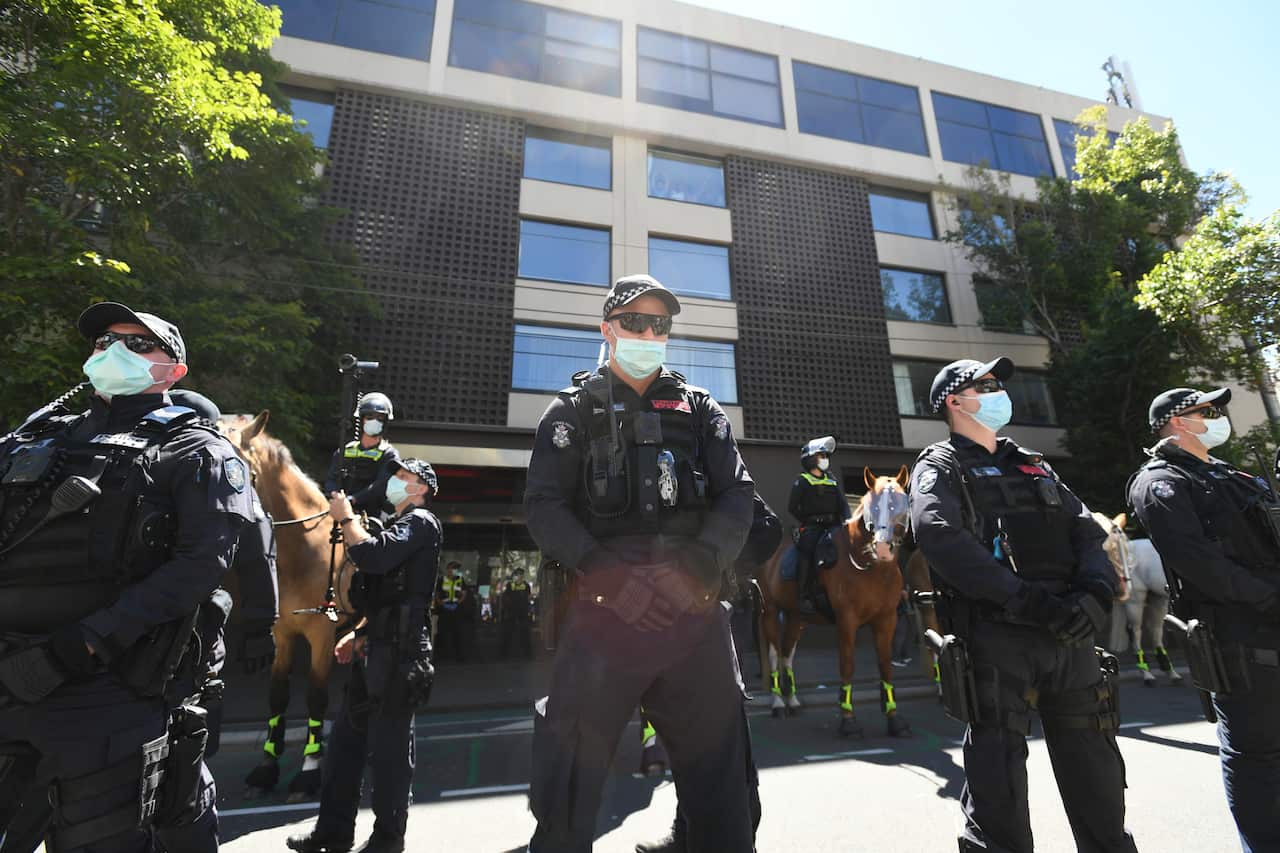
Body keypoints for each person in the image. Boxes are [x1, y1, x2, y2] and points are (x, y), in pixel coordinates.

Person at [0, 302, 253, 852]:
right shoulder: (35, 440)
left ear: (174, 371)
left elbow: (199, 567)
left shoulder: (197, 450)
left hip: (105, 696)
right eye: (104, 341)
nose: (113, 351)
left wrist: (84, 644)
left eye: (137, 344)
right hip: (9, 680)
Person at [524, 273, 757, 853]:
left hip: (692, 607)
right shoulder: (570, 411)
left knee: (725, 792)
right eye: (635, 322)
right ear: (608, 329)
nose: (649, 334)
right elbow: (544, 507)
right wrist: (611, 581)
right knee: (566, 793)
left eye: (660, 325)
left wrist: (699, 567)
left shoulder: (700, 409)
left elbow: (737, 495)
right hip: (603, 611)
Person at [908, 356, 1137, 853]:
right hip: (1000, 636)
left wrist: (1095, 594)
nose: (998, 391)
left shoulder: (1033, 461)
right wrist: (1026, 601)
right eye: (985, 385)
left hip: (1071, 634)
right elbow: (938, 535)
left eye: (997, 384)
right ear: (954, 401)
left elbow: (1085, 529)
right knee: (999, 785)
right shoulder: (940, 465)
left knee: (1097, 773)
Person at [1127, 387, 1280, 852]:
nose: (1218, 418)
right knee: (1258, 760)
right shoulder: (1160, 482)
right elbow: (1198, 562)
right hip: (1241, 638)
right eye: (1207, 411)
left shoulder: (1233, 475)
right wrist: (1270, 597)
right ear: (1177, 421)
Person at [288, 458, 441, 853]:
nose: (395, 481)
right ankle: (333, 831)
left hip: (401, 654)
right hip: (375, 649)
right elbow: (384, 596)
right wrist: (357, 634)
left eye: (404, 477)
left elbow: (372, 556)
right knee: (344, 747)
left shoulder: (421, 522)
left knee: (389, 754)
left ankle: (388, 840)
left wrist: (345, 518)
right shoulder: (398, 525)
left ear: (422, 488)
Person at [153, 389, 280, 853]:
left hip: (106, 646)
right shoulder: (218, 468)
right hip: (180, 649)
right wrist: (260, 625)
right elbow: (258, 553)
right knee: (183, 785)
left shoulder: (131, 457)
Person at [635, 492, 777, 853]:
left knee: (729, 751)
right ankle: (686, 834)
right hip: (666, 626)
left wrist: (717, 572)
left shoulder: (717, 472)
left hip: (719, 617)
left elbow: (767, 527)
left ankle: (734, 836)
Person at [787, 435, 852, 616]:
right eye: (821, 456)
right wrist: (808, 521)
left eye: (826, 456)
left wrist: (847, 520)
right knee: (807, 551)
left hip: (834, 526)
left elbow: (843, 505)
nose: (825, 459)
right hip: (812, 528)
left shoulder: (832, 480)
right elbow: (792, 508)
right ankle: (803, 596)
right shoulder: (802, 480)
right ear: (810, 459)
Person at [323, 391, 401, 516]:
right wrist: (335, 495)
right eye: (369, 417)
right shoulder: (345, 450)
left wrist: (353, 499)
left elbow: (380, 486)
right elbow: (331, 479)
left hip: (373, 512)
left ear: (385, 422)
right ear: (361, 420)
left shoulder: (389, 454)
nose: (374, 421)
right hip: (339, 507)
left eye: (379, 418)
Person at [433, 560, 468, 663]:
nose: (454, 571)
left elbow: (464, 594)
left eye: (456, 569)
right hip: (444, 610)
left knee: (458, 633)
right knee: (442, 633)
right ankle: (442, 656)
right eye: (453, 568)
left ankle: (459, 657)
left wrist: (457, 604)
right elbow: (437, 594)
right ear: (448, 569)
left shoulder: (460, 580)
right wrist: (443, 604)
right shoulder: (441, 580)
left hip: (456, 610)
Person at [500, 567, 534, 660]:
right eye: (518, 575)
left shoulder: (525, 585)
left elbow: (528, 598)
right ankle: (505, 653)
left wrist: (528, 609)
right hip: (513, 612)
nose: (520, 577)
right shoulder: (511, 585)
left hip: (521, 612)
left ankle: (526, 653)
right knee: (509, 632)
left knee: (523, 633)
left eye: (521, 575)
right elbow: (506, 598)